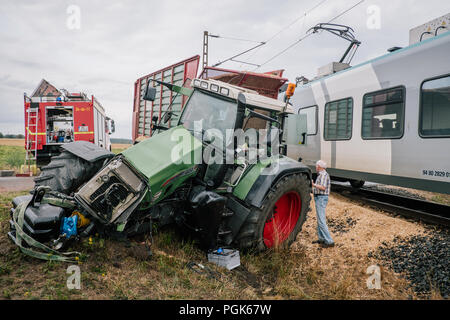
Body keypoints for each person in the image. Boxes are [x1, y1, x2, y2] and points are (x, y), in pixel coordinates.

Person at [312, 160, 335, 248]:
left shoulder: (324, 175)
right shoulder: (321, 175)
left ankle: (329, 241)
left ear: (319, 167)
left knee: (321, 220)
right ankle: (321, 238)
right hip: (319, 197)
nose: (316, 167)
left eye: (316, 166)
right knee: (319, 219)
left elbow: (323, 187)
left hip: (321, 198)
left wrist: (313, 185)